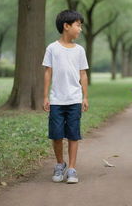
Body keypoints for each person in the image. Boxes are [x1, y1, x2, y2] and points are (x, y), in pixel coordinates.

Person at [42, 10, 89, 183]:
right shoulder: (52, 48)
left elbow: (83, 74)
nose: (80, 29)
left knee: (73, 135)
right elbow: (48, 72)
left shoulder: (80, 50)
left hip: (74, 99)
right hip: (56, 100)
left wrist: (85, 97)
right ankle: (60, 164)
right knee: (56, 134)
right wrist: (45, 96)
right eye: (78, 25)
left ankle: (72, 169)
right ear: (66, 26)